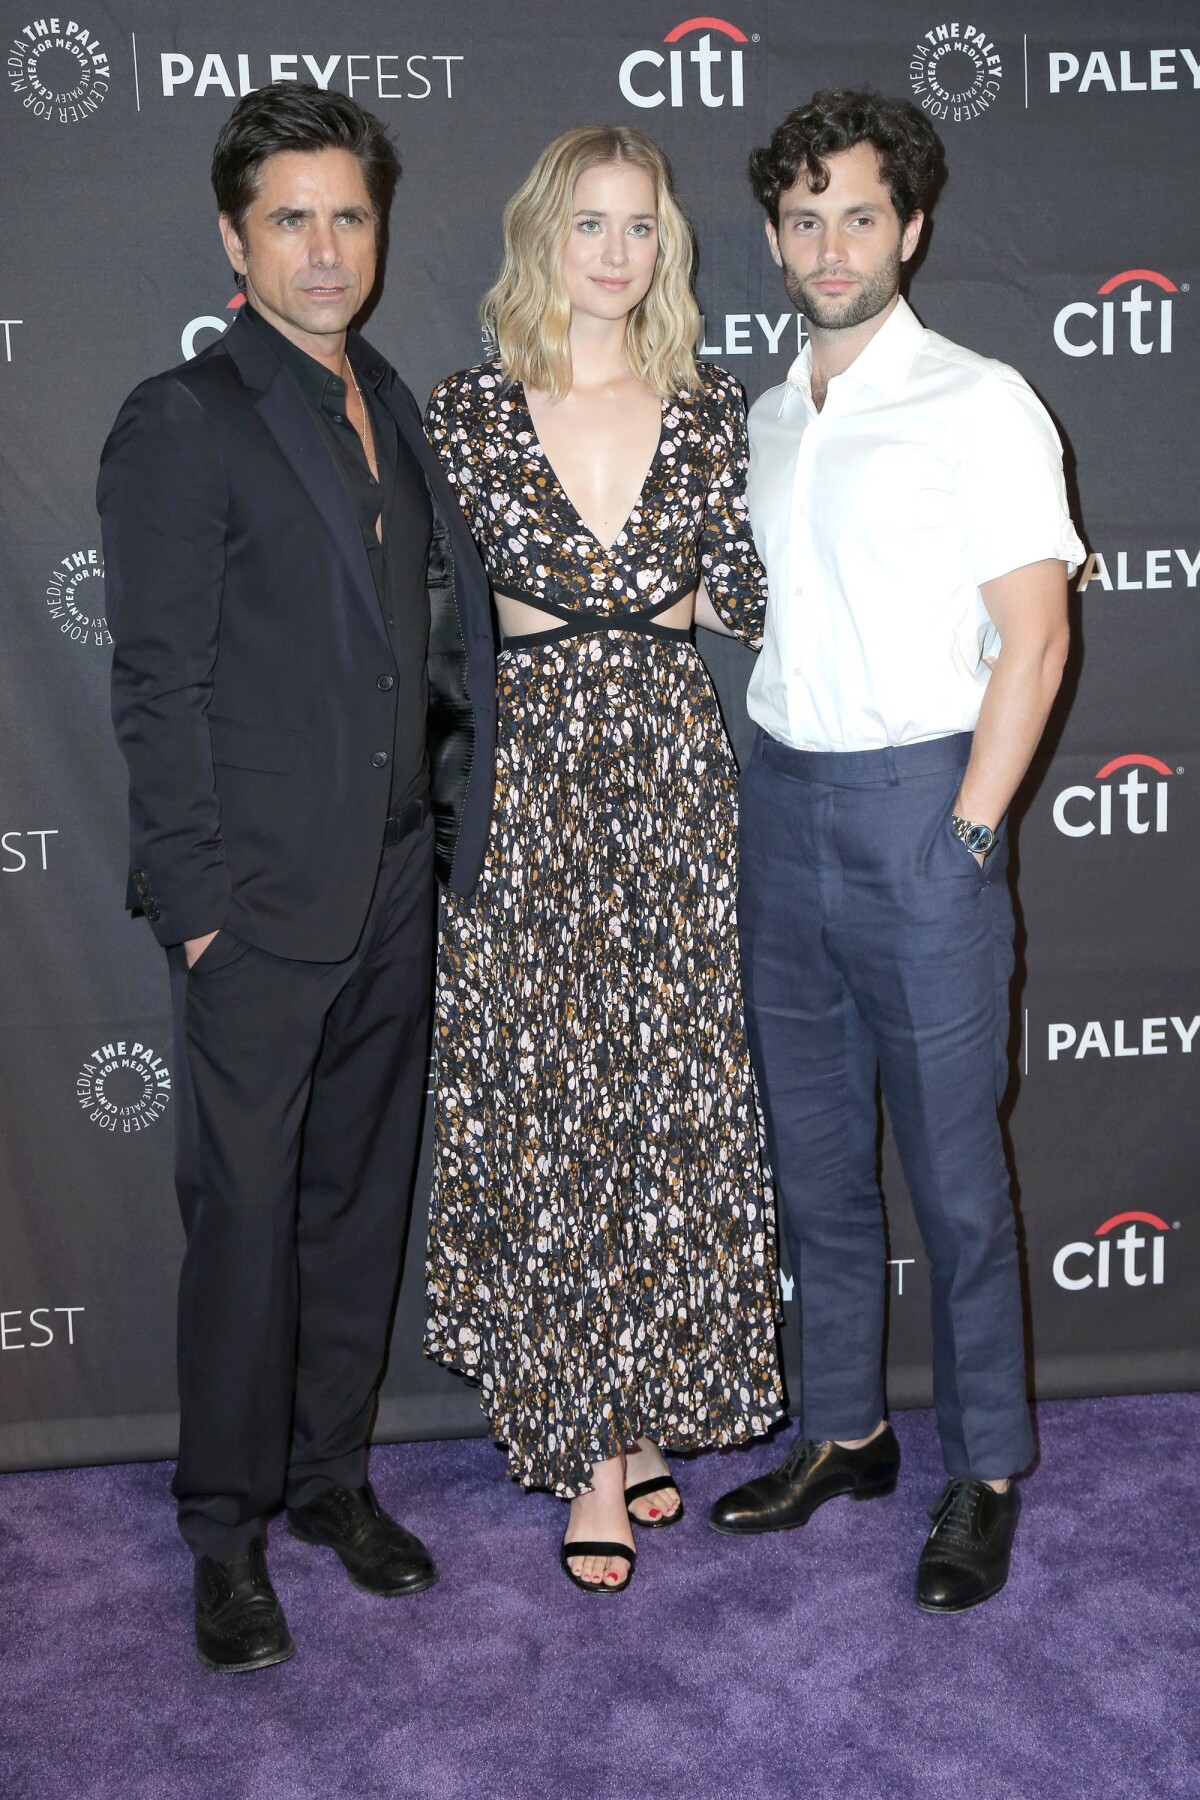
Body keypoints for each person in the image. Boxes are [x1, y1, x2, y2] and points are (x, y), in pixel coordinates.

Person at [99, 83, 495, 1672]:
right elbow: (157, 686)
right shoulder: (182, 418)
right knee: (247, 1223)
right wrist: (196, 905)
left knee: (353, 1211)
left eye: (348, 216)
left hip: (398, 885)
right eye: (291, 219)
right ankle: (223, 1532)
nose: (326, 250)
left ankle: (333, 1482)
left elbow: (436, 648)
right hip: (255, 911)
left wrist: (449, 841)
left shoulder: (394, 403)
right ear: (233, 238)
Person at [708, 90, 1084, 1612]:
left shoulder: (981, 400)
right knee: (815, 1167)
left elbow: (1038, 638)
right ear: (776, 239)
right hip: (783, 806)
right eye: (803, 220)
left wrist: (970, 832)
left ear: (910, 228)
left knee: (953, 1176)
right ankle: (844, 1433)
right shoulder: (771, 410)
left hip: (924, 811)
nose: (829, 243)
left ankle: (984, 1467)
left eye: (858, 214)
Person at [423, 125, 785, 1595]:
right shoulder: (467, 411)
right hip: (530, 786)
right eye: (592, 223)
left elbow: (754, 595)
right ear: (541, 238)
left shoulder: (709, 412)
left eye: (641, 226)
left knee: (662, 1099)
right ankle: (583, 1448)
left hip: (673, 777)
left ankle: (632, 1414)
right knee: (556, 1106)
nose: (617, 251)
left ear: (668, 248)